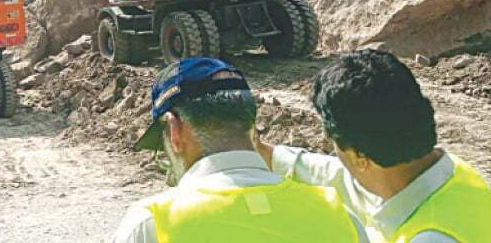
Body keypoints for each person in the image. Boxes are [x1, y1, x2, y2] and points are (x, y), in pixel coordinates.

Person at [112, 57, 366, 243]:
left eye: (162, 147)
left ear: (175, 131)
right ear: (253, 127)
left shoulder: (150, 226)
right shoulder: (340, 216)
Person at [255, 50, 491, 243]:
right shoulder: (449, 174)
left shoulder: (429, 238)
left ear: (360, 157)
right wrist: (262, 152)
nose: (336, 156)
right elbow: (335, 176)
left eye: (336, 147)